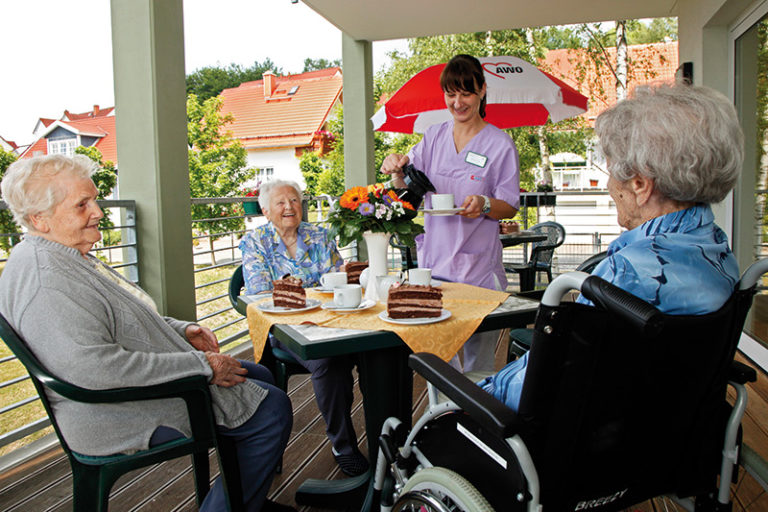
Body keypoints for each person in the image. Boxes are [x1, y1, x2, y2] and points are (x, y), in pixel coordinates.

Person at [0, 155, 295, 512]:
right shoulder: (47, 282)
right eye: (82, 205)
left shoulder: (65, 255)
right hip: (111, 412)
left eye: (94, 199)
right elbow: (93, 369)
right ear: (39, 219)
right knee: (271, 409)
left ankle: (242, 496)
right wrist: (202, 366)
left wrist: (182, 329)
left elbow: (127, 320)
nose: (97, 212)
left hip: (126, 392)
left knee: (259, 374)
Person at [479, 81, 743, 411]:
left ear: (640, 185)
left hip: (584, 446)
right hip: (673, 433)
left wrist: (478, 391)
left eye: (612, 169)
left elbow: (538, 384)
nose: (607, 184)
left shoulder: (628, 276)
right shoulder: (716, 250)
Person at [380, 54, 520, 372]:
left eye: (466, 93)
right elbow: (407, 193)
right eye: (451, 94)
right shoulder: (433, 137)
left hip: (479, 273)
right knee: (437, 363)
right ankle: (443, 421)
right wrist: (395, 169)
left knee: (476, 365)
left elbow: (509, 205)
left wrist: (485, 204)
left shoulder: (500, 145)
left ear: (482, 91)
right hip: (434, 270)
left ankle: (475, 420)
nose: (457, 102)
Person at [238, 180, 368, 477]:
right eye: (281, 202)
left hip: (334, 319)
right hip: (289, 328)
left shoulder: (320, 235)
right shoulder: (256, 241)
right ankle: (343, 445)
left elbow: (341, 277)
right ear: (266, 210)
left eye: (294, 201)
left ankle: (387, 438)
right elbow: (259, 291)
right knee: (329, 361)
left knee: (376, 351)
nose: (289, 207)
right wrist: (312, 290)